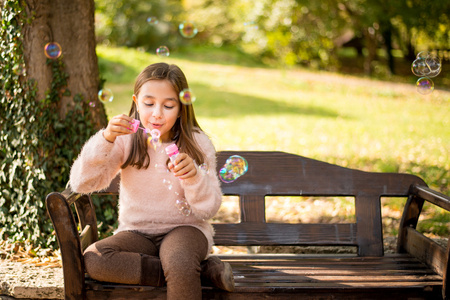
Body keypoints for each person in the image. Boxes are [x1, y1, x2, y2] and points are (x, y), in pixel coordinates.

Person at [69, 62, 235, 299]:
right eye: (149, 104)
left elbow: (207, 209)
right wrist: (105, 139)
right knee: (96, 259)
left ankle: (181, 268)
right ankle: (198, 272)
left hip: (186, 230)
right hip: (138, 234)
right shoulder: (125, 140)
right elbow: (82, 184)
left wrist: (194, 178)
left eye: (168, 105)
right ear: (136, 103)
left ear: (181, 108)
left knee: (178, 259)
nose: (157, 113)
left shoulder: (197, 143)